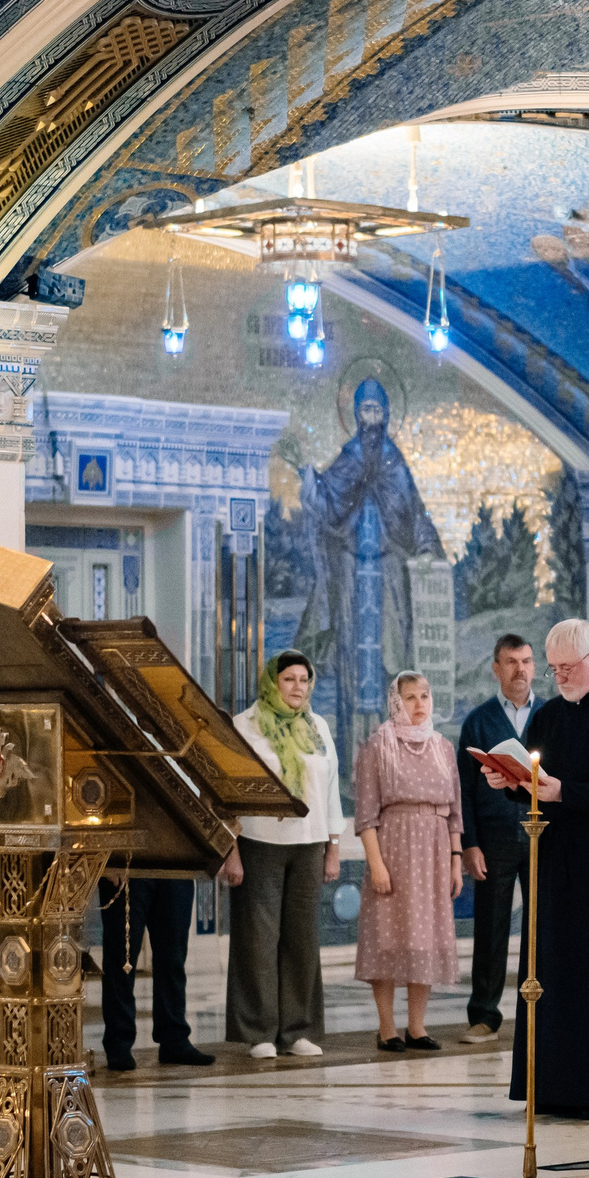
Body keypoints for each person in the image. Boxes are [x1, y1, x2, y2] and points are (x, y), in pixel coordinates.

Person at [481, 619, 589, 1119]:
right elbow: (538, 782)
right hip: (556, 862)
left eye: (566, 668)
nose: (557, 678)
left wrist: (565, 792)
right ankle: (555, 1086)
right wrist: (510, 781)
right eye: (553, 668)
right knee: (553, 972)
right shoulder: (549, 717)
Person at [291, 378, 446, 746]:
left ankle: (394, 747)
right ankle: (353, 756)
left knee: (391, 654)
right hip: (350, 570)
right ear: (356, 414)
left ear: (387, 415)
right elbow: (327, 502)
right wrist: (305, 472)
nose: (371, 418)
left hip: (388, 570)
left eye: (377, 410)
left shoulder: (394, 460)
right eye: (365, 411)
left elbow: (413, 510)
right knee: (351, 657)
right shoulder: (350, 455)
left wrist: (425, 546)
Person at [223, 650, 343, 1059]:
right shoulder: (245, 725)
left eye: (304, 680)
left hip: (309, 843)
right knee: (258, 939)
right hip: (258, 843)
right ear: (272, 682)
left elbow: (329, 789)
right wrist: (230, 851)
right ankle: (259, 1031)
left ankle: (298, 1029)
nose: (297, 688)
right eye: (289, 679)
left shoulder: (318, 727)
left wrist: (333, 847)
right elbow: (228, 794)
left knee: (302, 938)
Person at [355, 671, 465, 1052]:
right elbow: (366, 815)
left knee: (426, 937)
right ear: (396, 702)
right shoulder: (376, 746)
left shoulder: (442, 747)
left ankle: (417, 1026)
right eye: (411, 697)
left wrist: (455, 859)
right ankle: (387, 1027)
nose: (419, 704)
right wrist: (377, 864)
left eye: (425, 696)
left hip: (434, 850)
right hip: (394, 848)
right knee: (387, 937)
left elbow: (455, 813)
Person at [458, 633, 537, 1044]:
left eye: (526, 661)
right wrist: (469, 844)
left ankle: (536, 1012)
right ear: (496, 667)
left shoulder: (552, 714)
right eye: (511, 662)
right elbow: (465, 790)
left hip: (544, 838)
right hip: (493, 839)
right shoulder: (479, 720)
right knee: (491, 928)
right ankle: (484, 1015)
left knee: (540, 929)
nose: (520, 669)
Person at [99, 873, 213, 1071]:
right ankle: (118, 1042)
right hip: (128, 865)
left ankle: (174, 1038)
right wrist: (109, 860)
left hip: (176, 865)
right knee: (122, 957)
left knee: (174, 957)